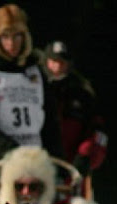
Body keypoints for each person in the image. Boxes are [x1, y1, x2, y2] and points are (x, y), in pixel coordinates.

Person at [0, 4, 63, 200]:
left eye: (17, 35)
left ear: (25, 37)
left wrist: (58, 163)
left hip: (36, 168)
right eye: (5, 36)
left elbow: (50, 122)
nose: (11, 43)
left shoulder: (36, 72)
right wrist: (9, 149)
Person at [41, 40, 108, 185]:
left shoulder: (82, 94)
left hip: (71, 173)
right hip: (35, 171)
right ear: (46, 61)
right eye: (53, 61)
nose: (57, 66)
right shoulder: (34, 88)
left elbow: (98, 131)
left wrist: (86, 155)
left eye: (62, 62)